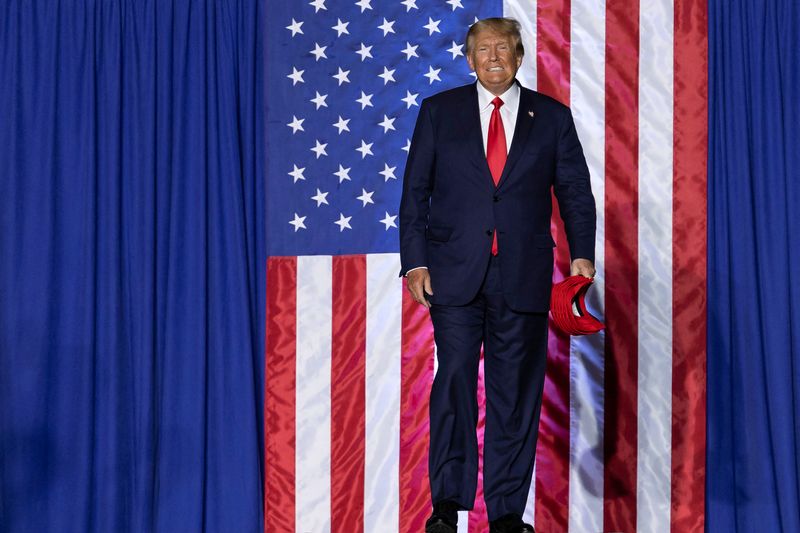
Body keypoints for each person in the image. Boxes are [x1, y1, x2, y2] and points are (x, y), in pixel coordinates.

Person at [399, 17, 597, 533]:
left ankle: (507, 511)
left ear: (518, 56)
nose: (493, 57)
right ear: (468, 59)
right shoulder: (438, 113)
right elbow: (414, 194)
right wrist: (415, 262)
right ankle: (447, 504)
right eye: (483, 49)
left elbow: (574, 191)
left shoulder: (551, 117)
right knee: (456, 380)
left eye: (503, 48)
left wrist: (581, 254)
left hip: (523, 275)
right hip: (453, 276)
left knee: (515, 390)